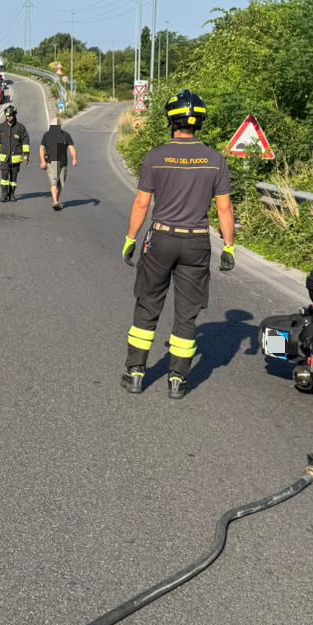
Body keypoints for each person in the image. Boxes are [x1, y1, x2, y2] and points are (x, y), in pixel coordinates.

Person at [120, 89, 237, 399]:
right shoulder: (215, 160)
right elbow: (224, 208)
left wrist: (131, 239)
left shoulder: (156, 157)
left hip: (160, 239)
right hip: (196, 242)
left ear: (171, 121)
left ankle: (135, 373)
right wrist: (229, 246)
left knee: (148, 303)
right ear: (200, 122)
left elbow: (142, 204)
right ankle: (177, 380)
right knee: (186, 313)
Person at [0, 104, 30, 204]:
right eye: (7, 116)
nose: (9, 118)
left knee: (13, 178)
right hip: (4, 158)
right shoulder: (1, 128)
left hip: (16, 158)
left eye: (10, 116)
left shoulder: (20, 128)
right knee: (4, 177)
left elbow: (25, 142)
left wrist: (26, 155)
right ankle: (4, 195)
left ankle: (12, 195)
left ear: (14, 115)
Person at [38, 120, 78, 211]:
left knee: (60, 184)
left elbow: (71, 147)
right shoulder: (47, 135)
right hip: (52, 163)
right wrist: (43, 161)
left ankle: (56, 200)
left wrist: (74, 158)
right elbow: (42, 148)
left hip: (63, 163)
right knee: (54, 183)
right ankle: (55, 201)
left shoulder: (65, 135)